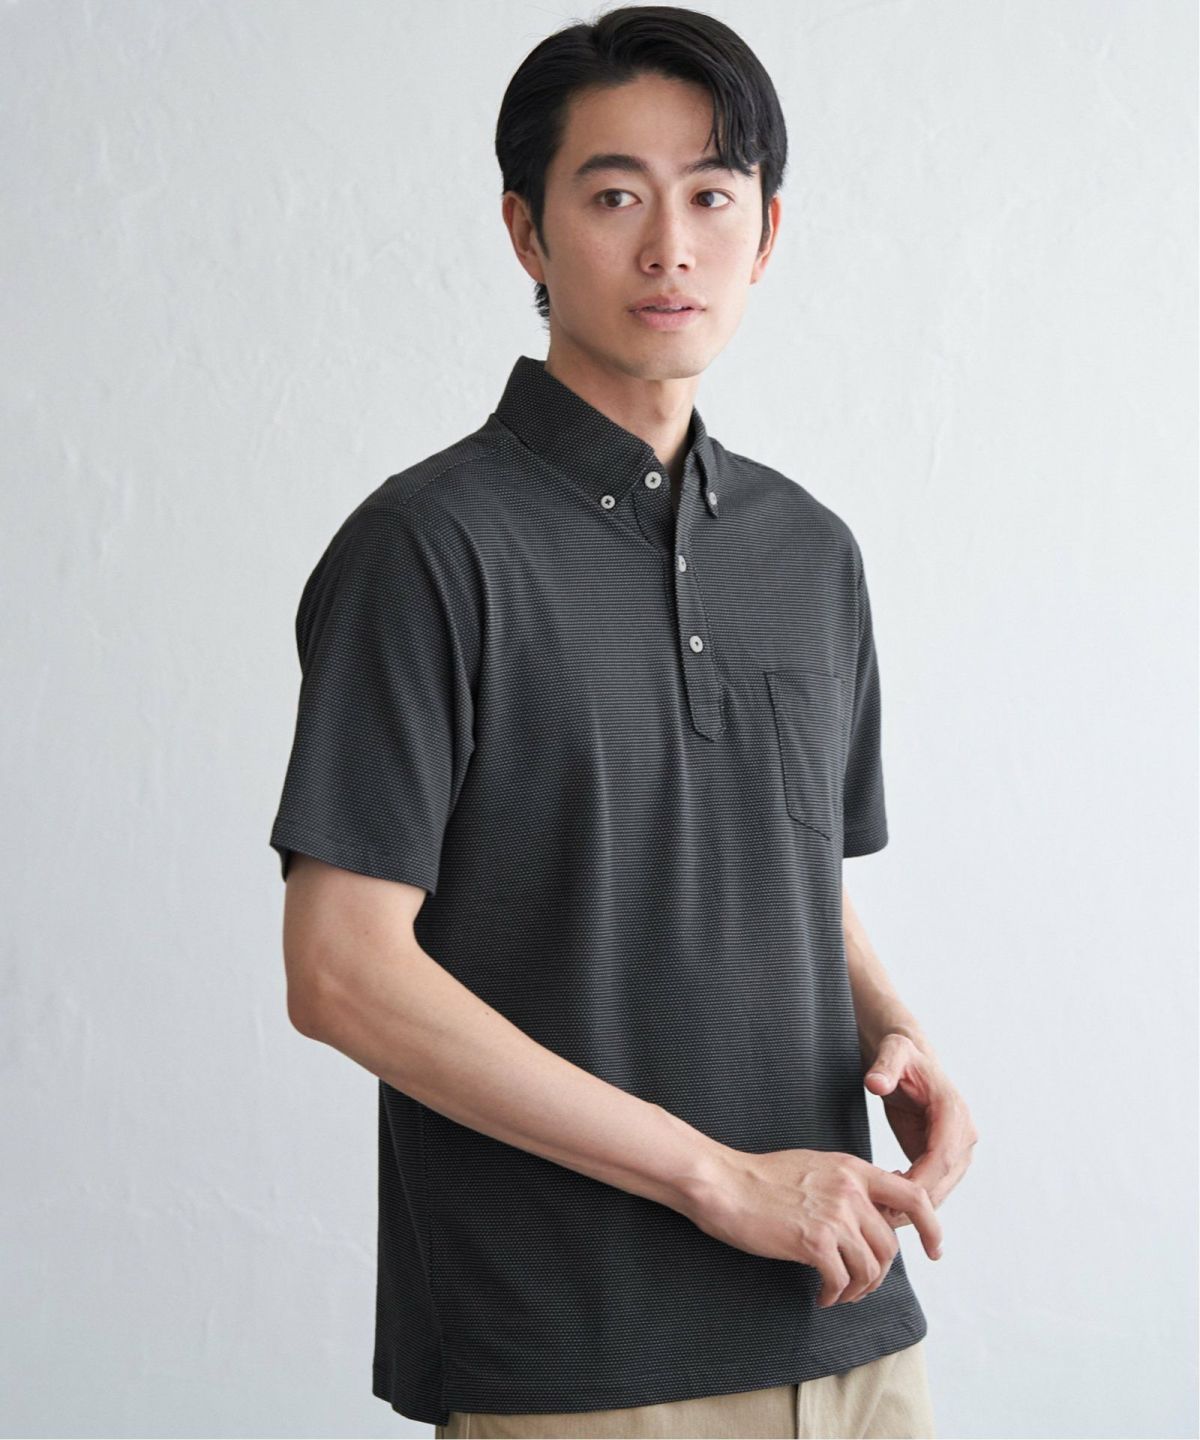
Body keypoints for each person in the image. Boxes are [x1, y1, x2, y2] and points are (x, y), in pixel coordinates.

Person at [269, 7, 978, 1437]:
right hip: (579, 1364)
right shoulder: (427, 547)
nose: (670, 247)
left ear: (765, 234)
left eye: (712, 196)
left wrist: (894, 1025)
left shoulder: (811, 551)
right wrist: (720, 1179)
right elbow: (340, 971)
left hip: (850, 1327)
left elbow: (791, 865)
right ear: (526, 232)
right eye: (613, 197)